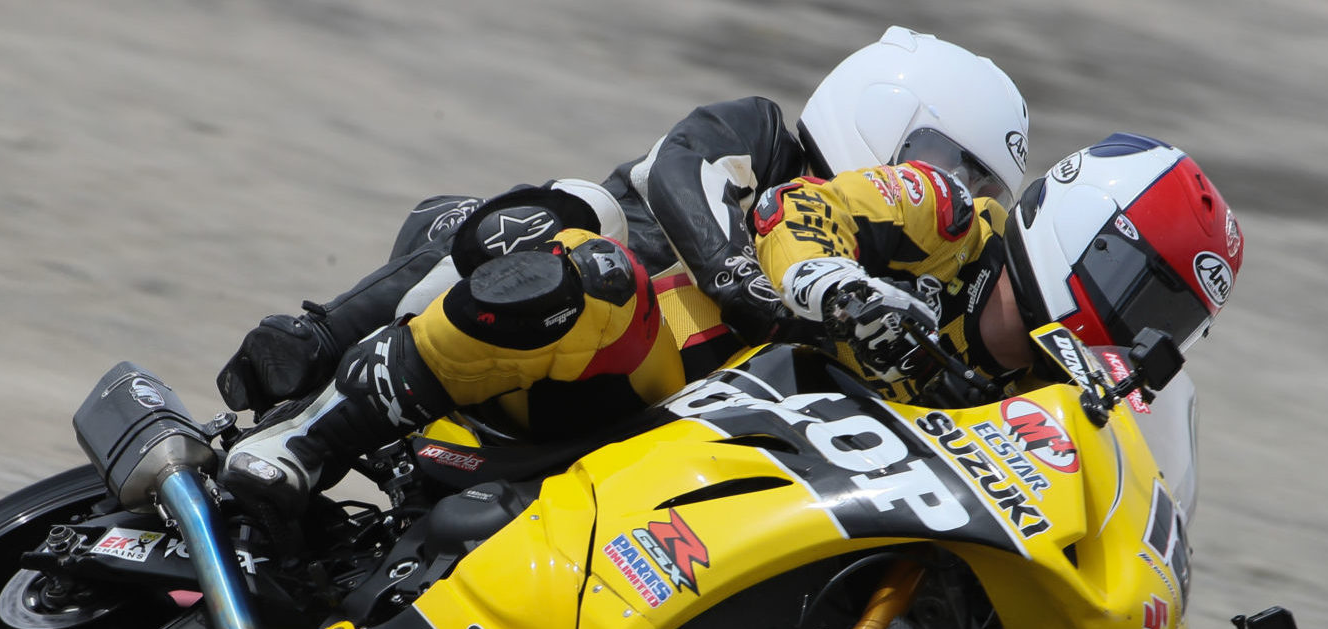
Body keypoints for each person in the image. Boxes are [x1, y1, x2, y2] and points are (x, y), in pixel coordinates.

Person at [221, 133, 1243, 517]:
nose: (1139, 328)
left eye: (1170, 321)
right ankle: (316, 437)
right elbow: (797, 212)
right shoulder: (942, 214)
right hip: (640, 382)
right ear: (1082, 231)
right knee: (595, 281)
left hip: (728, 495)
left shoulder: (1049, 399)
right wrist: (837, 288)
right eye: (1143, 288)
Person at [214, 26, 1032, 418]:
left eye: (974, 186)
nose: (947, 191)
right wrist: (741, 276)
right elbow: (683, 174)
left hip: (625, 405)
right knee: (576, 215)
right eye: (949, 162)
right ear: (884, 113)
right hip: (522, 282)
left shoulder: (868, 292)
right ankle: (321, 337)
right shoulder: (757, 132)